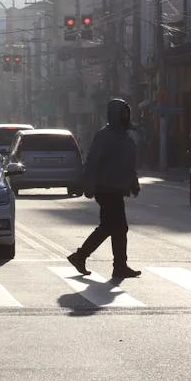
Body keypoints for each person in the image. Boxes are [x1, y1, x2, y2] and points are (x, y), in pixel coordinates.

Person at [67, 98, 142, 280]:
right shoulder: (105, 135)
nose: (125, 117)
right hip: (106, 188)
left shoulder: (124, 135)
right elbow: (93, 161)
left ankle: (117, 265)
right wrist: (89, 184)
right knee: (113, 226)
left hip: (117, 188)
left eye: (127, 113)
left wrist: (133, 181)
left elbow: (128, 163)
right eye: (122, 113)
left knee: (115, 227)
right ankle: (83, 256)